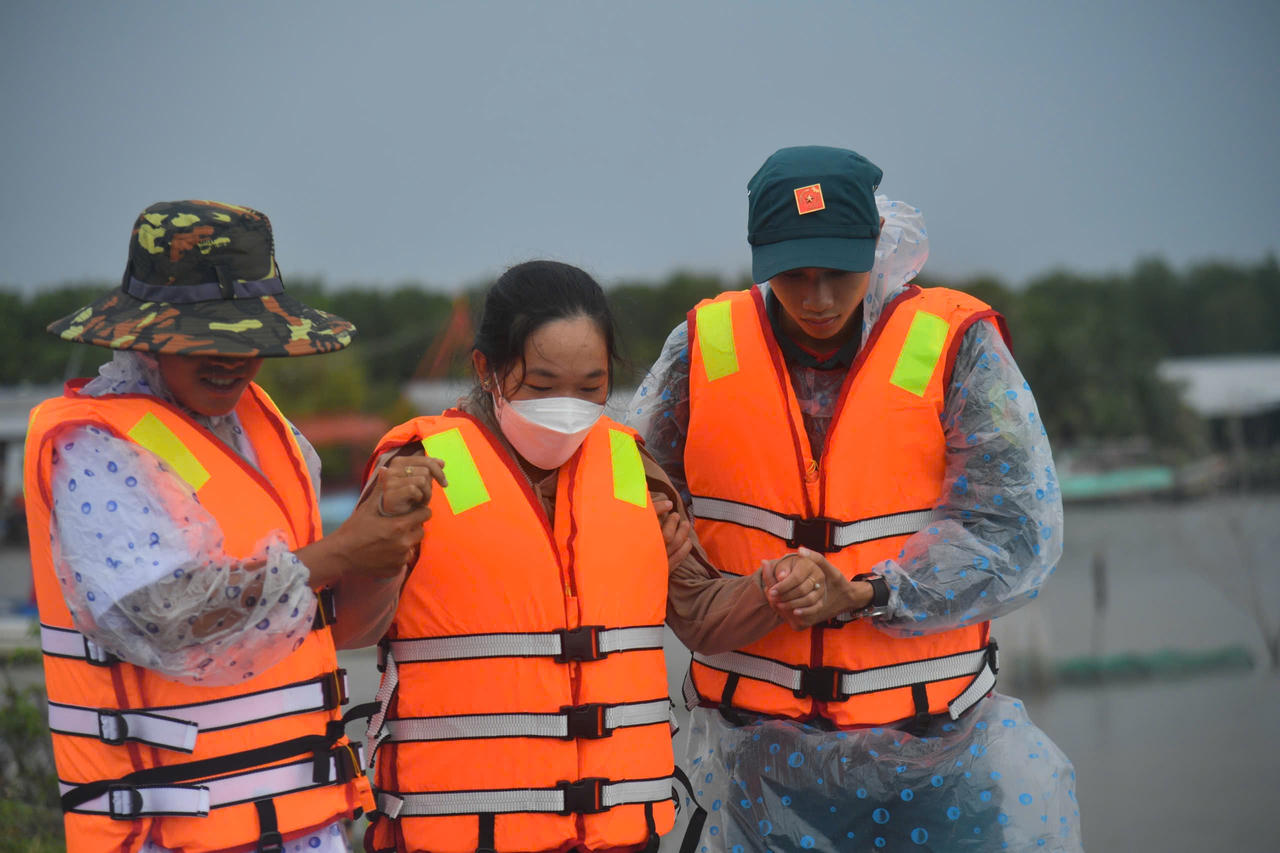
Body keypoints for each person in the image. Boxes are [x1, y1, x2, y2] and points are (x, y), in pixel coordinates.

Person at [628, 147, 1082, 851]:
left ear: (875, 247)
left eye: (838, 272)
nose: (817, 298)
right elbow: (638, 497)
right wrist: (711, 582)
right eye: (794, 274)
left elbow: (1016, 534)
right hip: (753, 760)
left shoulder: (956, 346)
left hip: (934, 754)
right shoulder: (702, 346)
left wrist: (871, 593)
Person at [358, 260, 827, 853]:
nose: (568, 406)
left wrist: (776, 586)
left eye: (590, 386)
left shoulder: (633, 469)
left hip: (620, 835)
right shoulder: (415, 470)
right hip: (460, 832)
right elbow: (351, 626)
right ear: (488, 368)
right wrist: (379, 547)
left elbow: (703, 618)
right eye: (543, 383)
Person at [25, 200, 440, 853]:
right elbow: (164, 615)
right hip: (170, 832)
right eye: (206, 339)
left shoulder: (274, 436)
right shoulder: (94, 445)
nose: (232, 359)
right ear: (145, 334)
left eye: (248, 340)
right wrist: (338, 552)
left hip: (306, 823)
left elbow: (336, 625)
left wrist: (382, 538)